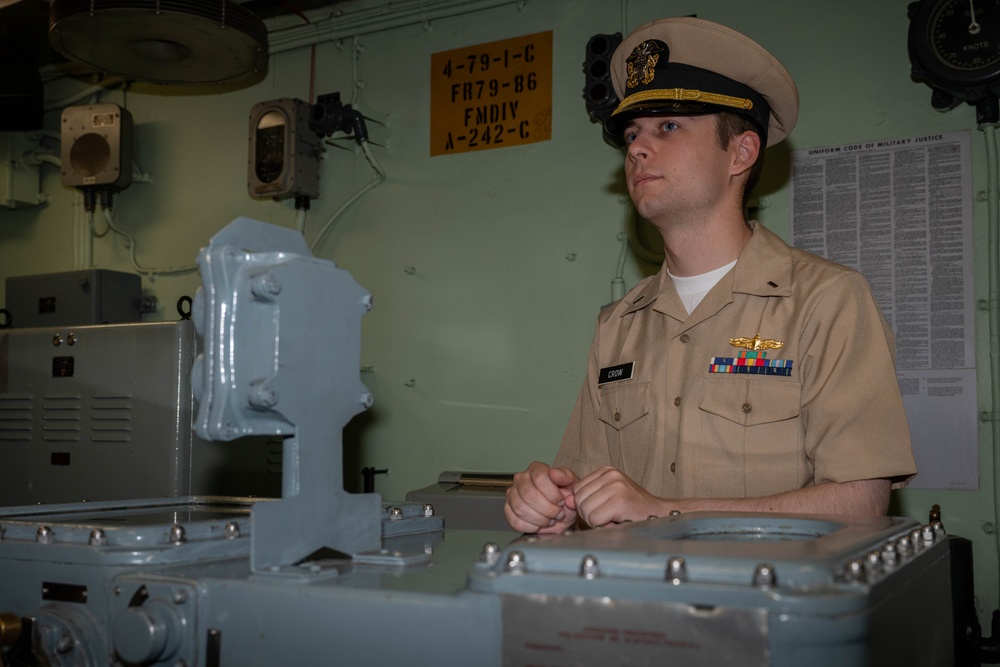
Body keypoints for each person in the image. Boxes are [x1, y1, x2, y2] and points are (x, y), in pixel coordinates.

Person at [504, 16, 916, 534]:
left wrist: (668, 511)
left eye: (668, 126)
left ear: (741, 151)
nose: (635, 147)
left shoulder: (826, 301)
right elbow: (591, 490)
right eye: (632, 132)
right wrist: (555, 504)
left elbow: (861, 503)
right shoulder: (619, 325)